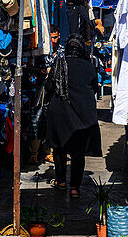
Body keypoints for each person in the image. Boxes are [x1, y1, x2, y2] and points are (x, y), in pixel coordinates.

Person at [44, 35, 102, 199]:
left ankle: (61, 181)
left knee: (59, 148)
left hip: (60, 112)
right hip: (82, 114)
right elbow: (94, 88)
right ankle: (75, 188)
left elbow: (49, 87)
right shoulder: (89, 66)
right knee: (78, 153)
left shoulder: (59, 63)